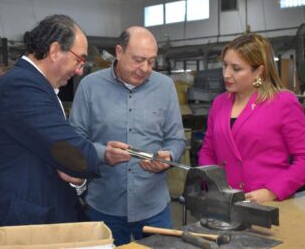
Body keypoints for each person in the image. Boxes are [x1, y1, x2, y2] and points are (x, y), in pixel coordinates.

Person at [69, 26, 186, 246]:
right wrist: (104, 154)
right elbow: (75, 140)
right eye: (138, 59)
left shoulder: (165, 87)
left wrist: (168, 157)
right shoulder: (90, 86)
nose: (145, 68)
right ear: (119, 52)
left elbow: (177, 139)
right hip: (105, 205)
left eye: (151, 61)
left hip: (153, 206)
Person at [0, 14, 99, 228]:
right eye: (79, 60)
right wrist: (99, 154)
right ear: (55, 51)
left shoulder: (38, 86)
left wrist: (77, 174)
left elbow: (66, 156)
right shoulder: (21, 87)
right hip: (25, 223)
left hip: (42, 214)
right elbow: (79, 155)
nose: (80, 70)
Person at [199, 33, 305, 204]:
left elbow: (303, 158)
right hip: (223, 201)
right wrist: (212, 183)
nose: (226, 74)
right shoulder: (219, 103)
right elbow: (207, 151)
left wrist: (271, 191)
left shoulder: (283, 102)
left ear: (259, 71)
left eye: (236, 68)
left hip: (267, 203)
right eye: (224, 65)